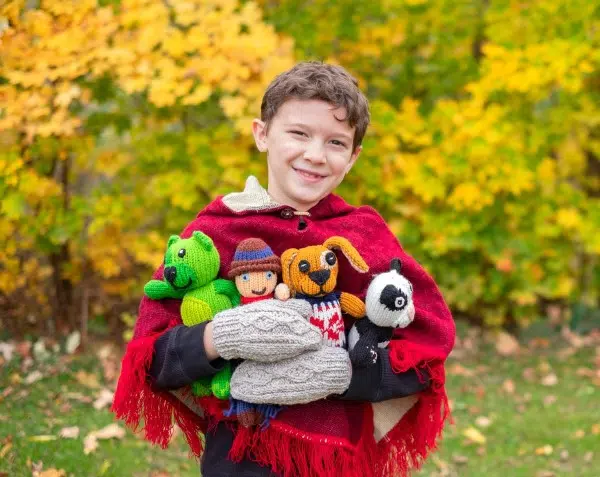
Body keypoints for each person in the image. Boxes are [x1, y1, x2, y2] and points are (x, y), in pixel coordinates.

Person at [112, 62, 455, 477]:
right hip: (243, 458)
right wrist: (218, 337)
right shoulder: (214, 231)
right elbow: (153, 359)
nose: (315, 154)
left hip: (338, 462)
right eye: (299, 133)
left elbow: (427, 345)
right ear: (262, 134)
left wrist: (347, 374)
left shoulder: (364, 237)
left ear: (353, 157)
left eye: (336, 142)